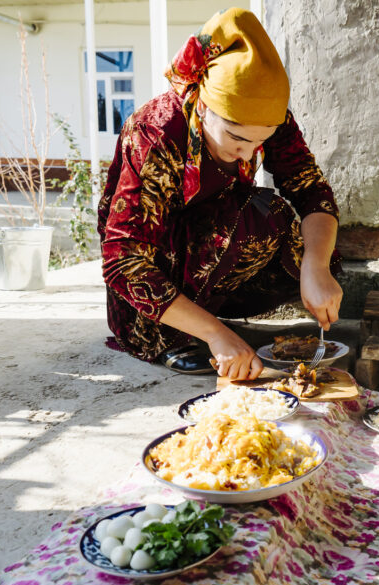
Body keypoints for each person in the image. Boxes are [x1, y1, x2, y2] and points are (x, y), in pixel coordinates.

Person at [98, 6, 342, 380]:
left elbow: (310, 189)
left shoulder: (268, 120)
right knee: (250, 215)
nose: (248, 153)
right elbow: (122, 260)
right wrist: (215, 334)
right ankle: (176, 334)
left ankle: (211, 317)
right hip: (152, 276)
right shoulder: (157, 132)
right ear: (205, 105)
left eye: (259, 141)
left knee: (278, 219)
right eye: (236, 138)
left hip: (214, 256)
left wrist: (316, 266)